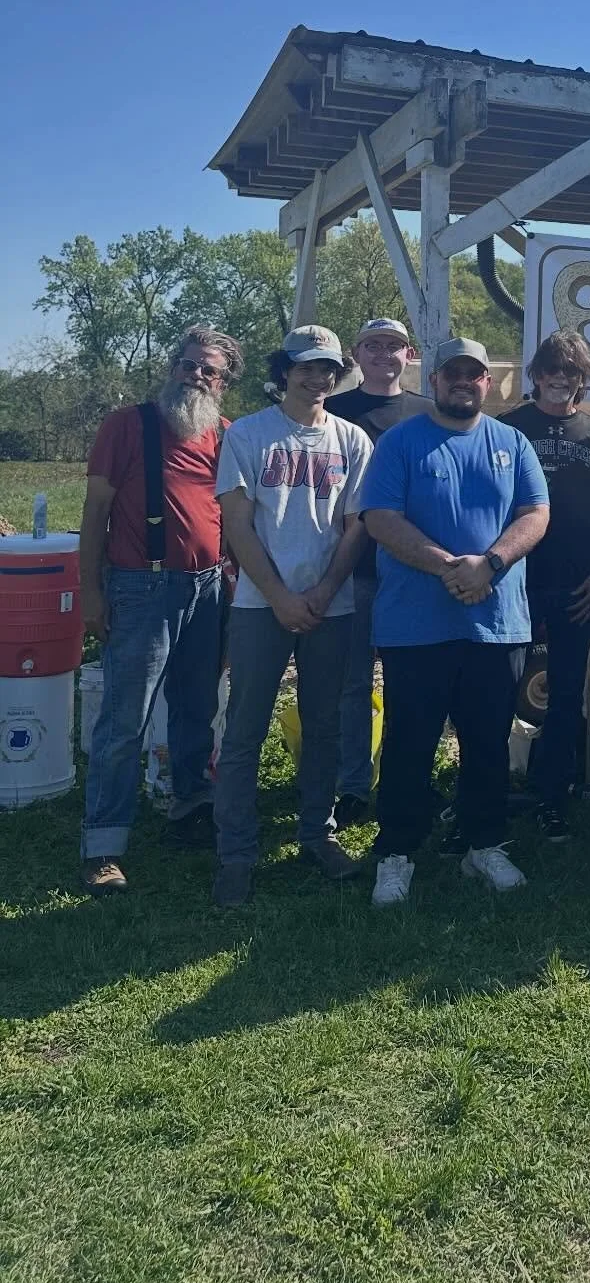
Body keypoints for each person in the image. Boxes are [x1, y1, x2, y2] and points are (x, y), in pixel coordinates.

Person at [363, 338, 551, 907]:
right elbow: (379, 517)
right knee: (409, 743)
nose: (463, 382)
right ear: (436, 379)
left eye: (475, 374)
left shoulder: (512, 442)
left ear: (487, 384)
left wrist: (490, 564)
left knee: (488, 742)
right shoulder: (400, 442)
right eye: (453, 374)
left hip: (495, 624)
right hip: (415, 624)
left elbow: (535, 512)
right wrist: (451, 567)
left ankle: (484, 843)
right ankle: (396, 851)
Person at [77, 325, 244, 894]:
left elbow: (235, 516)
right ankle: (104, 843)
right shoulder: (127, 425)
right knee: (126, 719)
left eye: (209, 370)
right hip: (140, 587)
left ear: (223, 384)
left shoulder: (225, 434)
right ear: (171, 366)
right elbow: (95, 511)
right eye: (188, 363)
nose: (195, 375)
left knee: (198, 708)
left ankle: (189, 810)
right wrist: (91, 594)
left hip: (209, 587)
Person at [211, 327, 374, 906]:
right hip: (261, 604)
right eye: (305, 367)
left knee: (324, 725)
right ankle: (236, 852)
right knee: (245, 729)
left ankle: (317, 836)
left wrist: (329, 588)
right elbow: (237, 525)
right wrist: (279, 594)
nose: (317, 378)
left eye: (328, 368)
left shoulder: (353, 439)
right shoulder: (249, 435)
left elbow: (358, 524)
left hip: (334, 604)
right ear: (284, 371)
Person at [504, 331, 590, 839]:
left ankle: (554, 794)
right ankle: (489, 788)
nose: (559, 378)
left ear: (581, 380)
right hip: (516, 581)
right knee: (499, 690)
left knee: (567, 693)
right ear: (536, 374)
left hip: (577, 583)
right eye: (551, 369)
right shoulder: (507, 427)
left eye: (570, 372)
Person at [324, 318, 432, 828]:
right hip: (353, 569)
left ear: (409, 355)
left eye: (394, 346)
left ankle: (405, 779)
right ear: (356, 353)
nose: (384, 354)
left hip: (412, 571)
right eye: (373, 345)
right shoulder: (334, 411)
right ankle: (351, 785)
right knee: (352, 684)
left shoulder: (428, 414)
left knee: (409, 684)